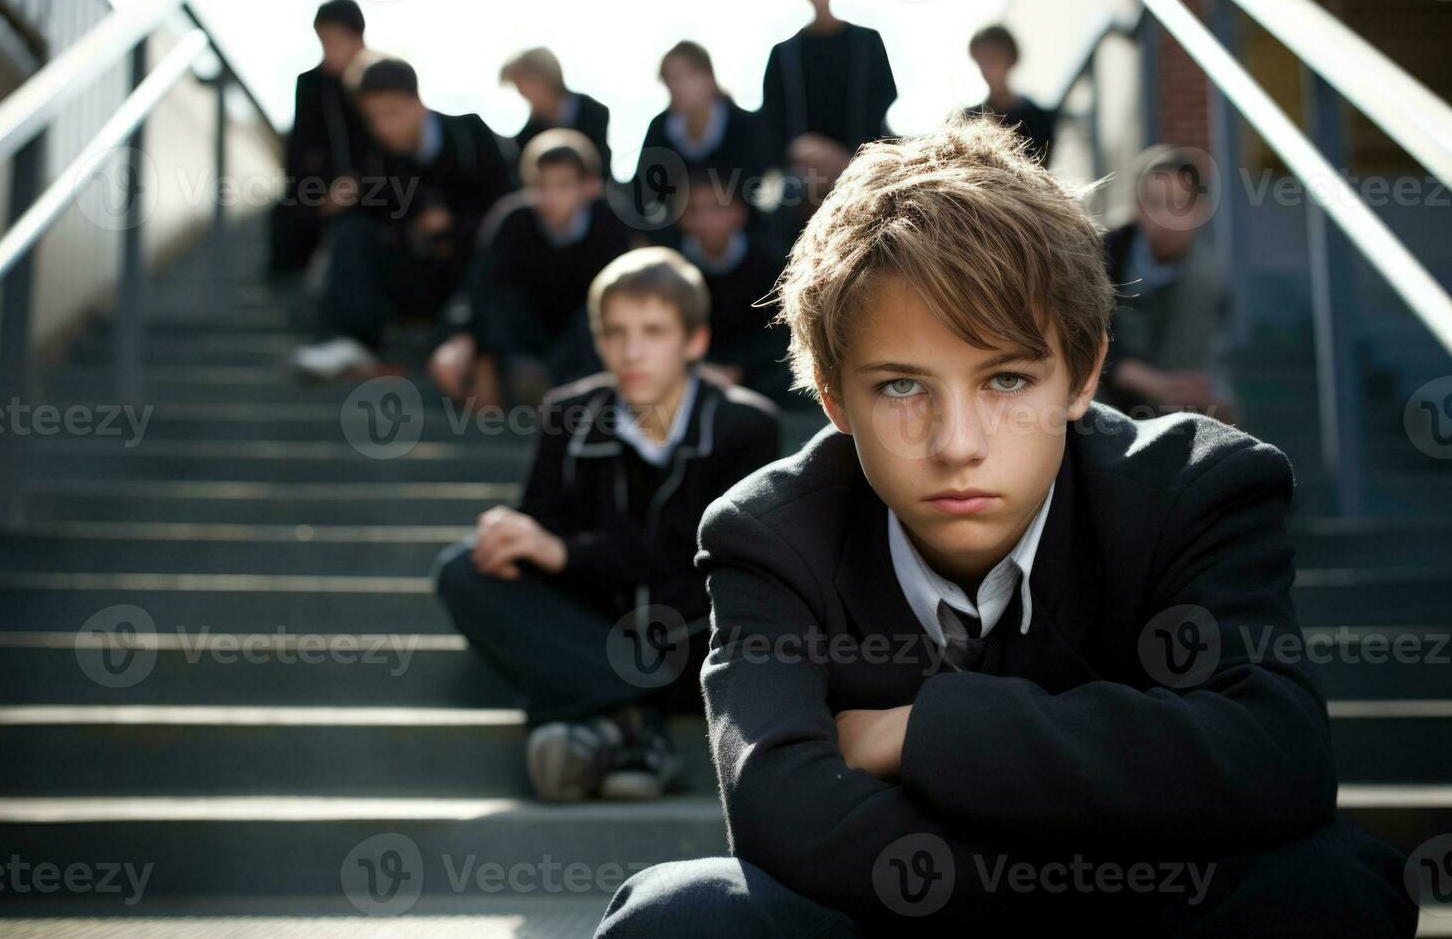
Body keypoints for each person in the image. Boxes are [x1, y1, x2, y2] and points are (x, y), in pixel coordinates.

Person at [595, 115, 1417, 935]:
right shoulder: (765, 536)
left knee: (1329, 883)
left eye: (1008, 380)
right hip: (907, 917)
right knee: (680, 914)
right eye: (902, 388)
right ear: (834, 395)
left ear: (1084, 372)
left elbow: (1273, 757)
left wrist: (924, 731)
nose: (958, 446)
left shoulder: (1195, 489)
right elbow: (782, 811)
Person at [434, 247, 781, 803]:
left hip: (692, 636)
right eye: (615, 333)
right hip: (598, 623)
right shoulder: (568, 414)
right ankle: (631, 717)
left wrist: (565, 553)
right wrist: (512, 536)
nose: (632, 351)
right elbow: (540, 530)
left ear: (693, 341)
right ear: (597, 340)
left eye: (653, 331)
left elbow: (699, 558)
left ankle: (586, 719)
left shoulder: (744, 424)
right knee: (461, 570)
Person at [291, 57, 512, 379]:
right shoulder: (374, 158)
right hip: (415, 276)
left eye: (393, 114)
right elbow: (376, 225)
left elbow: (508, 214)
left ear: (418, 103)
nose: (384, 127)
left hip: (472, 276)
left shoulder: (470, 136)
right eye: (374, 118)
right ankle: (348, 341)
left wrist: (453, 225)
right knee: (351, 232)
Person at [429, 129, 635, 407]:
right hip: (525, 341)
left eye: (563, 185)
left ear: (589, 187)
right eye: (542, 185)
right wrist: (461, 341)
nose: (551, 196)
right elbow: (481, 288)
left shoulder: (609, 222)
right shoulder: (513, 220)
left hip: (583, 347)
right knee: (503, 305)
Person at [1099, 145, 1236, 423]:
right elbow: (1083, 339)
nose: (1167, 217)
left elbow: (1210, 362)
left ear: (1201, 209)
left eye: (1180, 204)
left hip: (1170, 410)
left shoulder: (1207, 277)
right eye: (1155, 203)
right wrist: (1146, 381)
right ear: (1137, 208)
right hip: (1102, 400)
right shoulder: (1101, 256)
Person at [760, 0, 896, 190]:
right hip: (802, 174)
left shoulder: (867, 43)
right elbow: (772, 120)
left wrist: (846, 156)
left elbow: (884, 97)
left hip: (863, 166)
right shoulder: (783, 55)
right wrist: (801, 150)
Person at [269, 0, 372, 276]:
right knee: (288, 215)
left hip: (376, 190)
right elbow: (300, 149)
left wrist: (359, 181)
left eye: (336, 41)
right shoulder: (312, 85)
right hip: (322, 192)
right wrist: (320, 195)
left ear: (357, 39)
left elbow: (391, 143)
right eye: (323, 41)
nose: (329, 51)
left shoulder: (381, 80)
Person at [674, 173, 792, 407]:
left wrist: (737, 370)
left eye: (716, 208)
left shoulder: (770, 261)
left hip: (758, 373)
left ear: (739, 214)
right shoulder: (671, 265)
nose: (706, 219)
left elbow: (781, 330)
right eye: (695, 210)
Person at [628, 42, 770, 231]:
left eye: (683, 77)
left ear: (709, 77)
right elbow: (645, 195)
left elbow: (758, 189)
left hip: (745, 237)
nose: (676, 87)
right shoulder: (660, 129)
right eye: (669, 79)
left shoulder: (744, 125)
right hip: (677, 239)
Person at [500, 47, 612, 179]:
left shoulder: (594, 112)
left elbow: (600, 167)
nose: (522, 92)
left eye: (522, 84)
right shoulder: (531, 131)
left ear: (544, 78)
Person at [965, 24, 1057, 167]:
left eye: (993, 58)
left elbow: (1039, 170)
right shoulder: (968, 117)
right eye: (981, 60)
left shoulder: (1038, 118)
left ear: (1011, 59)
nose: (987, 68)